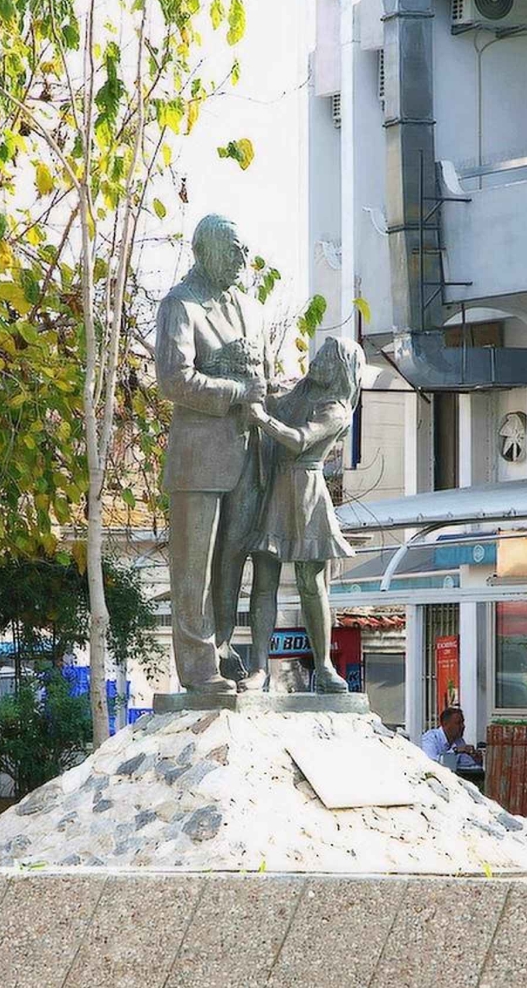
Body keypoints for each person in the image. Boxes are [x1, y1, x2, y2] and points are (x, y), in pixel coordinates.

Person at [154, 214, 275, 694]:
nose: (243, 258)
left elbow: (265, 381)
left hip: (249, 452)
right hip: (199, 459)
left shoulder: (251, 309)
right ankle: (198, 668)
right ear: (204, 252)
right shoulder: (180, 304)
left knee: (231, 562)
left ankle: (222, 649)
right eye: (233, 249)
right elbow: (173, 379)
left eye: (245, 249)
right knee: (194, 569)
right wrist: (235, 391)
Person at [244, 337, 365, 693]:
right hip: (276, 489)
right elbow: (274, 400)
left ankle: (324, 666)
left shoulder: (336, 409)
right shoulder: (300, 394)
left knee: (311, 585)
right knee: (263, 581)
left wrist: (261, 419)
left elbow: (299, 440)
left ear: (340, 368)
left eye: (326, 357)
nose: (317, 361)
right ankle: (259, 667)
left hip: (307, 493)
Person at [419, 707, 483, 770]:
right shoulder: (430, 738)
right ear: (445, 724)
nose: (463, 726)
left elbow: (468, 764)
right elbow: (430, 763)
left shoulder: (459, 741)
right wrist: (455, 751)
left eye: (463, 722)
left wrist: (476, 759)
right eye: (458, 723)